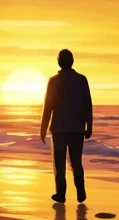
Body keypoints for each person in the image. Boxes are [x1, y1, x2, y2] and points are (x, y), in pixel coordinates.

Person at [39, 49, 93, 204]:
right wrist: (89, 126)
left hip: (59, 129)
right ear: (72, 61)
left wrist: (43, 128)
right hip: (77, 128)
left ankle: (61, 193)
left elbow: (48, 106)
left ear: (58, 62)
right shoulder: (82, 80)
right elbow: (87, 105)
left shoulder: (54, 81)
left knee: (59, 163)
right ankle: (80, 190)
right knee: (76, 161)